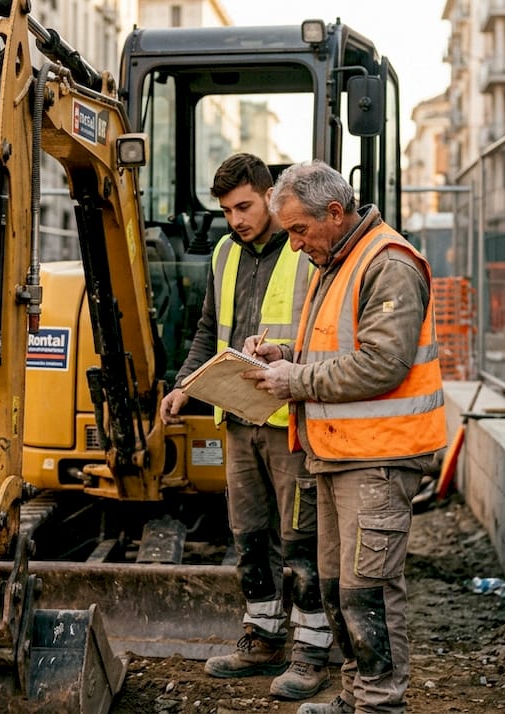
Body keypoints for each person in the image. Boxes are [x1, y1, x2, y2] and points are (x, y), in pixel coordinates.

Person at [243, 160, 447, 714]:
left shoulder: (388, 263)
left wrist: (296, 380)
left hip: (378, 459)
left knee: (369, 593)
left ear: (334, 213)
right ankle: (356, 695)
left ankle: (379, 705)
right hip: (338, 454)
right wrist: (286, 357)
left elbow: (383, 362)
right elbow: (339, 351)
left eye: (298, 231)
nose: (293, 245)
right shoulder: (339, 259)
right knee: (337, 587)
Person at [159, 153, 332, 700]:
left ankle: (311, 650)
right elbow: (210, 328)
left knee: (301, 538)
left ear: (267, 195)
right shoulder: (224, 253)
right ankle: (263, 636)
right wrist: (185, 384)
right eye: (227, 210)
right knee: (250, 535)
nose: (235, 219)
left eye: (244, 206)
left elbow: (326, 333)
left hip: (291, 419)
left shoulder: (305, 248)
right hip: (238, 418)